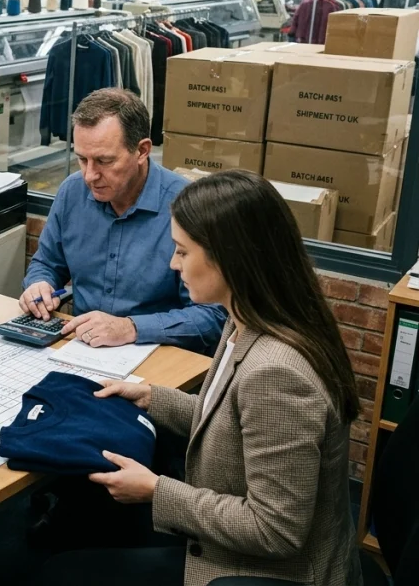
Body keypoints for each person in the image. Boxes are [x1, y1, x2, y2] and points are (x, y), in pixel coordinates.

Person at [44, 170, 362, 586]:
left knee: (62, 574)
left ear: (229, 259)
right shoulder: (248, 318)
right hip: (235, 545)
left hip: (261, 573)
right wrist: (152, 397)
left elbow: (275, 530)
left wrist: (158, 492)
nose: (173, 264)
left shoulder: (278, 374)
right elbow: (234, 419)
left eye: (182, 251)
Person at [20, 89, 225, 353]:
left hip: (159, 356)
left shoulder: (188, 206)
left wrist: (132, 328)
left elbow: (213, 317)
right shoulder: (72, 193)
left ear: (142, 151)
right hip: (82, 349)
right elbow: (47, 263)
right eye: (82, 159)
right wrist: (40, 283)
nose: (89, 176)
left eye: (104, 161)